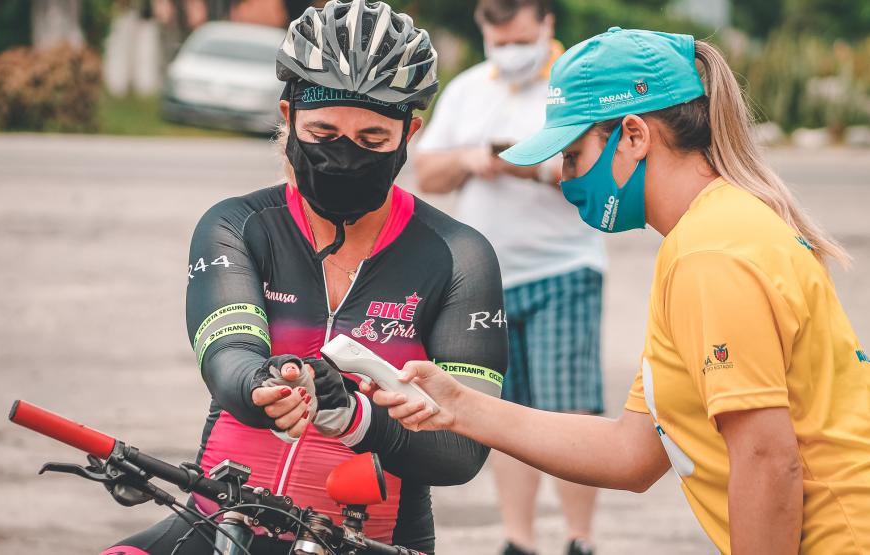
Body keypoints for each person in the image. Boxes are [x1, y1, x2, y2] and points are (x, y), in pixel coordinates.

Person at [372, 27, 870, 555]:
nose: (565, 180)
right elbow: (632, 454)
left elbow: (767, 459)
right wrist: (458, 405)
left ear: (633, 136)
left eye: (572, 155)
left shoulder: (711, 253)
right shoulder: (706, 236)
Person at [100, 2, 508, 554]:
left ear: (410, 132)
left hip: (374, 542)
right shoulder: (239, 226)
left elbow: (461, 451)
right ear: (288, 118)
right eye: (323, 131)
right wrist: (262, 384)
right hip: (218, 524)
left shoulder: (459, 255)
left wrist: (357, 418)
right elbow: (229, 356)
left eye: (371, 140)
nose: (344, 156)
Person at [414, 2, 604, 554]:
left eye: (522, 36)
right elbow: (427, 169)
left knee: (569, 408)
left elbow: (593, 171)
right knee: (506, 411)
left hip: (563, 268)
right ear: (483, 28)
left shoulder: (577, 85)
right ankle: (517, 540)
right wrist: (473, 158)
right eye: (500, 36)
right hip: (485, 278)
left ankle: (579, 538)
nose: (511, 47)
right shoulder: (470, 88)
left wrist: (527, 163)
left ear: (547, 24)